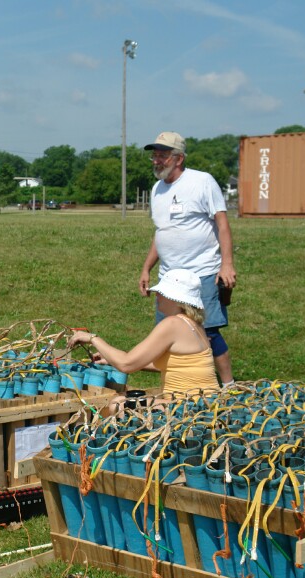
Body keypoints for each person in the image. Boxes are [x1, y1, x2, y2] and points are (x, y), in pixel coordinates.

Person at [138, 131, 236, 387]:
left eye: (162, 155)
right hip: (169, 278)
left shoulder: (202, 182)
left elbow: (222, 224)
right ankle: (176, 384)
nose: (156, 160)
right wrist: (147, 267)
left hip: (202, 273)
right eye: (154, 155)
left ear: (178, 158)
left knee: (209, 331)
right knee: (168, 334)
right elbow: (161, 233)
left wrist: (226, 264)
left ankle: (228, 387)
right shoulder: (157, 189)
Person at [68, 269, 219, 406]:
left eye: (162, 293)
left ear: (175, 298)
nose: (157, 295)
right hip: (205, 403)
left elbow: (126, 364)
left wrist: (93, 338)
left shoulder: (172, 324)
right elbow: (174, 363)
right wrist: (111, 359)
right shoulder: (194, 324)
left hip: (188, 407)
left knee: (119, 404)